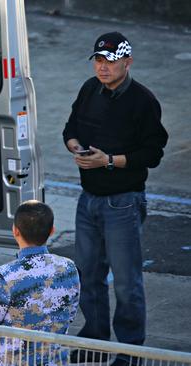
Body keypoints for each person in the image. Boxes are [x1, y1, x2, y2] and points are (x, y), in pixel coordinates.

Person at [62, 32, 168, 365]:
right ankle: (95, 338)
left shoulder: (143, 101)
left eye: (109, 61)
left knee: (126, 283)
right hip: (88, 199)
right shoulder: (88, 89)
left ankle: (130, 350)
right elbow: (70, 129)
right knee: (87, 275)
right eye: (98, 60)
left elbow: (152, 154)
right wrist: (76, 148)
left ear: (127, 62)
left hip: (123, 203)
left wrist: (107, 160)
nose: (102, 67)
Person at [0, 200, 80, 366]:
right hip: (57, 360)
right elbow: (70, 314)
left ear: (15, 231)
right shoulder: (68, 267)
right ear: (52, 231)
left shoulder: (4, 276)